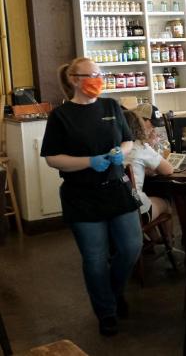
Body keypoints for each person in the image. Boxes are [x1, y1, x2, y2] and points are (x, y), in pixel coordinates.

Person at [41, 57, 142, 336]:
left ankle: (113, 290)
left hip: (117, 189)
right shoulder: (60, 116)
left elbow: (127, 138)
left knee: (131, 247)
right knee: (95, 259)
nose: (98, 79)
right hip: (81, 195)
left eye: (100, 74)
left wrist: (123, 150)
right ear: (74, 79)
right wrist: (89, 161)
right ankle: (106, 312)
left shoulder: (110, 106)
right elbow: (52, 158)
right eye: (91, 75)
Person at [123, 108, 174, 240]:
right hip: (135, 210)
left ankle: (153, 240)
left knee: (146, 197)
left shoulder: (112, 148)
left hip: (115, 208)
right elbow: (168, 170)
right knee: (166, 204)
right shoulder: (140, 146)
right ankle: (169, 243)